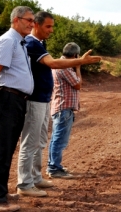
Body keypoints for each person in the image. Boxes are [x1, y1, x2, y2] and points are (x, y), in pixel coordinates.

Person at [16, 11, 101, 197]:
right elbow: (53, 64)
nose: (51, 30)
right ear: (36, 25)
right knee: (30, 143)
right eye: (48, 26)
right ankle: (24, 184)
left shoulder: (40, 43)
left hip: (44, 99)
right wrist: (81, 62)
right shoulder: (31, 43)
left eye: (52, 26)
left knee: (39, 141)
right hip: (35, 99)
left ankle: (36, 178)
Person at [0, 6, 35, 212]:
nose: (32, 24)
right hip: (8, 99)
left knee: (7, 149)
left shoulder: (19, 43)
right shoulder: (8, 41)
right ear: (16, 20)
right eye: (28, 20)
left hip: (16, 100)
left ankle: (0, 192)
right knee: (1, 149)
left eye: (32, 20)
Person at [46, 42, 84, 178]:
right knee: (59, 139)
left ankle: (53, 165)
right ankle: (54, 168)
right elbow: (78, 84)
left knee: (57, 138)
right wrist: (78, 68)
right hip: (64, 107)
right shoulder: (65, 68)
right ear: (75, 55)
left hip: (60, 107)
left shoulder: (59, 66)